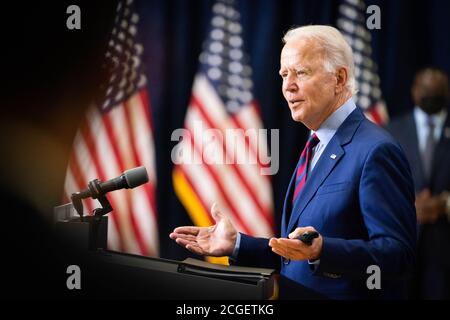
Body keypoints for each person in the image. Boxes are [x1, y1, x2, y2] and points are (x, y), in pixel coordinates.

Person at [170, 25, 417, 299]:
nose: (288, 86)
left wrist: (324, 251)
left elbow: (398, 255)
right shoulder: (315, 145)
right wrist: (238, 244)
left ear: (339, 78)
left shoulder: (375, 150)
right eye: (284, 74)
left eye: (301, 72)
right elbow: (295, 255)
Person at [386, 68, 450, 299]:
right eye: (426, 90)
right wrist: (408, 205)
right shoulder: (390, 130)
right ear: (414, 92)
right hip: (402, 243)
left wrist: (444, 204)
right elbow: (378, 185)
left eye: (437, 90)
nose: (431, 94)